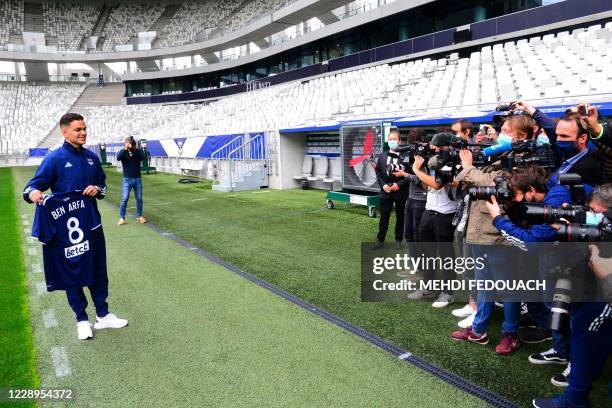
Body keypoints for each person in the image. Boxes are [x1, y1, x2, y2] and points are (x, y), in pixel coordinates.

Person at [23, 113, 128, 340]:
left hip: (93, 225)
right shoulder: (55, 159)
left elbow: (103, 186)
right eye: (78, 129)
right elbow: (31, 187)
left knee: (99, 271)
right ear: (65, 132)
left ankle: (103, 314)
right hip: (67, 232)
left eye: (84, 129)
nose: (83, 133)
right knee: (73, 273)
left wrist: (97, 189)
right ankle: (81, 319)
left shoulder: (92, 157)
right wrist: (33, 193)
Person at [450, 114, 537, 355]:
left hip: (498, 233)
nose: (500, 134)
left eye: (507, 130)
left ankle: (510, 333)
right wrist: (470, 172)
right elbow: (469, 185)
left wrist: (468, 168)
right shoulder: (497, 156)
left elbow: (497, 185)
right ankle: (479, 330)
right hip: (479, 231)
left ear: (521, 137)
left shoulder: (523, 160)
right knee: (483, 284)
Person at [483, 165, 573, 379]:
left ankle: (572, 361)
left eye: (516, 193)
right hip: (555, 256)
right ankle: (560, 350)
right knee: (553, 305)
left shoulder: (552, 203)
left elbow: (530, 242)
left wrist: (498, 219)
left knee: (560, 309)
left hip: (562, 259)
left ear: (531, 190)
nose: (513, 197)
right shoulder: (552, 191)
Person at [533, 184, 612, 408]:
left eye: (597, 213)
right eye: (590, 210)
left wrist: (596, 260)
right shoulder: (599, 230)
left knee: (585, 349)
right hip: (588, 294)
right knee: (585, 348)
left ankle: (574, 401)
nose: (592, 216)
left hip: (601, 302)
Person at [400, 133, 458, 308]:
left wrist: (416, 170)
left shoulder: (451, 161)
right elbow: (427, 185)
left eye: (437, 146)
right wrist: (422, 169)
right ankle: (428, 286)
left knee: (446, 255)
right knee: (426, 252)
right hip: (429, 209)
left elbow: (437, 184)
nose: (433, 149)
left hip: (445, 212)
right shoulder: (435, 160)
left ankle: (448, 292)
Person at [372, 130, 410, 249]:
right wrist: (383, 185)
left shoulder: (406, 156)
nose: (392, 141)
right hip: (385, 191)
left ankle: (398, 240)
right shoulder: (383, 155)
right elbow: (378, 172)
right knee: (384, 216)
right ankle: (380, 240)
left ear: (399, 141)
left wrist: (398, 185)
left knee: (400, 217)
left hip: (400, 191)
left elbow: (409, 174)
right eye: (390, 139)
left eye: (394, 139)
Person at [117, 136, 146, 225]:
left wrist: (135, 148)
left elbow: (143, 157)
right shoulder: (123, 152)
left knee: (139, 198)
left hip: (137, 179)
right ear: (124, 143)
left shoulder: (136, 151)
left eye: (130, 142)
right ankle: (122, 218)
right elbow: (118, 158)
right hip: (127, 179)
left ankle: (139, 216)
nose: (129, 144)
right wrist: (125, 149)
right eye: (127, 142)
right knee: (124, 198)